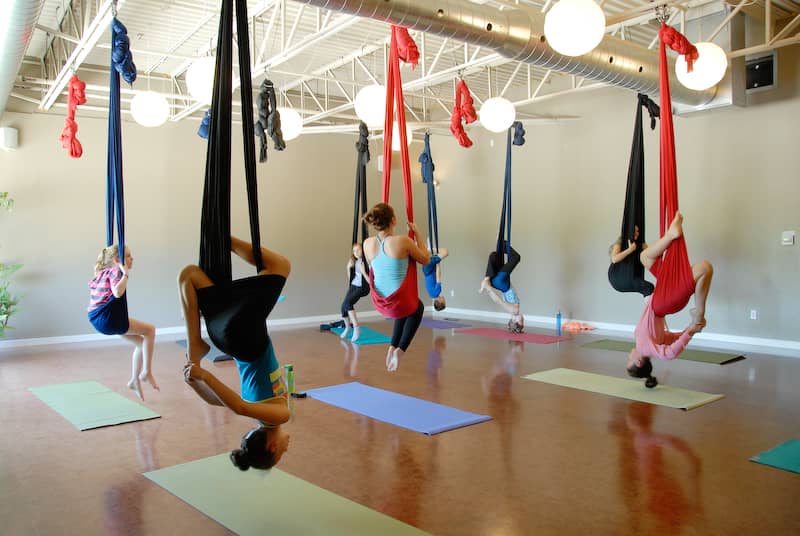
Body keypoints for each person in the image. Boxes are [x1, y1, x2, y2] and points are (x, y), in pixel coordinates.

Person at [179, 236, 291, 471]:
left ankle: (224, 238)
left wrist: (204, 377)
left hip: (244, 336)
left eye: (282, 452)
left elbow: (238, 407)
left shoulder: (278, 416)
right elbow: (215, 400)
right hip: (224, 337)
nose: (287, 448)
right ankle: (195, 345)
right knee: (188, 276)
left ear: (272, 447)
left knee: (280, 266)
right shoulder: (261, 413)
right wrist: (193, 382)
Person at [626, 212, 714, 379]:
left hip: (662, 296)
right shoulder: (644, 347)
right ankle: (699, 314)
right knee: (704, 268)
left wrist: (690, 331)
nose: (628, 356)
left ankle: (670, 235)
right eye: (628, 361)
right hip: (664, 302)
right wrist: (690, 331)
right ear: (638, 362)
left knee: (645, 257)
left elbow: (670, 337)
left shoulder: (651, 343)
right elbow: (669, 354)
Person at [363, 203, 430, 372]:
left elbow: (374, 267)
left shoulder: (367, 244)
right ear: (393, 220)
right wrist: (417, 233)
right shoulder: (402, 241)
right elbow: (426, 259)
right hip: (399, 301)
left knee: (403, 305)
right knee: (416, 307)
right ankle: (400, 350)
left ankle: (392, 346)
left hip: (381, 303)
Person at [88, 245, 157, 401]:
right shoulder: (116, 271)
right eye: (128, 256)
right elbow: (117, 292)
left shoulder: (101, 273)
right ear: (117, 260)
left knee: (141, 343)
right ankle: (146, 372)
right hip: (109, 319)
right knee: (150, 330)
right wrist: (125, 274)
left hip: (97, 319)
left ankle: (134, 380)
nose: (132, 259)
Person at [480, 243, 524, 333]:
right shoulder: (513, 311)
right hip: (500, 282)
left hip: (501, 283)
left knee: (516, 257)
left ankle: (502, 244)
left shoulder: (515, 311)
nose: (523, 319)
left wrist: (488, 288)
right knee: (493, 256)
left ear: (515, 320)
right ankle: (487, 279)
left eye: (521, 321)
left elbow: (498, 301)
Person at [608, 224, 655, 297]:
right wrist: (630, 250)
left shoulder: (638, 243)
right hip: (617, 277)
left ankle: (650, 307)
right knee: (648, 288)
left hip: (630, 276)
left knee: (648, 288)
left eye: (638, 231)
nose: (637, 233)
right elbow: (614, 259)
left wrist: (646, 248)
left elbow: (650, 257)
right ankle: (651, 307)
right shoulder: (621, 241)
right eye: (634, 231)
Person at [339, 243, 370, 342]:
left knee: (348, 303)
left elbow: (370, 282)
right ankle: (347, 327)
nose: (356, 253)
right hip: (353, 285)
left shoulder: (367, 263)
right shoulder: (355, 261)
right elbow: (351, 279)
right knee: (343, 307)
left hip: (363, 287)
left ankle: (356, 327)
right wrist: (348, 268)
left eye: (358, 250)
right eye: (354, 251)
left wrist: (364, 271)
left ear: (363, 250)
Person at [422, 245, 449, 311]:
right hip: (426, 270)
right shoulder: (431, 295)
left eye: (444, 302)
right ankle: (429, 248)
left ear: (440, 302)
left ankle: (430, 249)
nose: (445, 300)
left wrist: (438, 263)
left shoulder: (437, 292)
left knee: (445, 252)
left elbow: (438, 275)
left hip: (429, 270)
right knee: (430, 254)